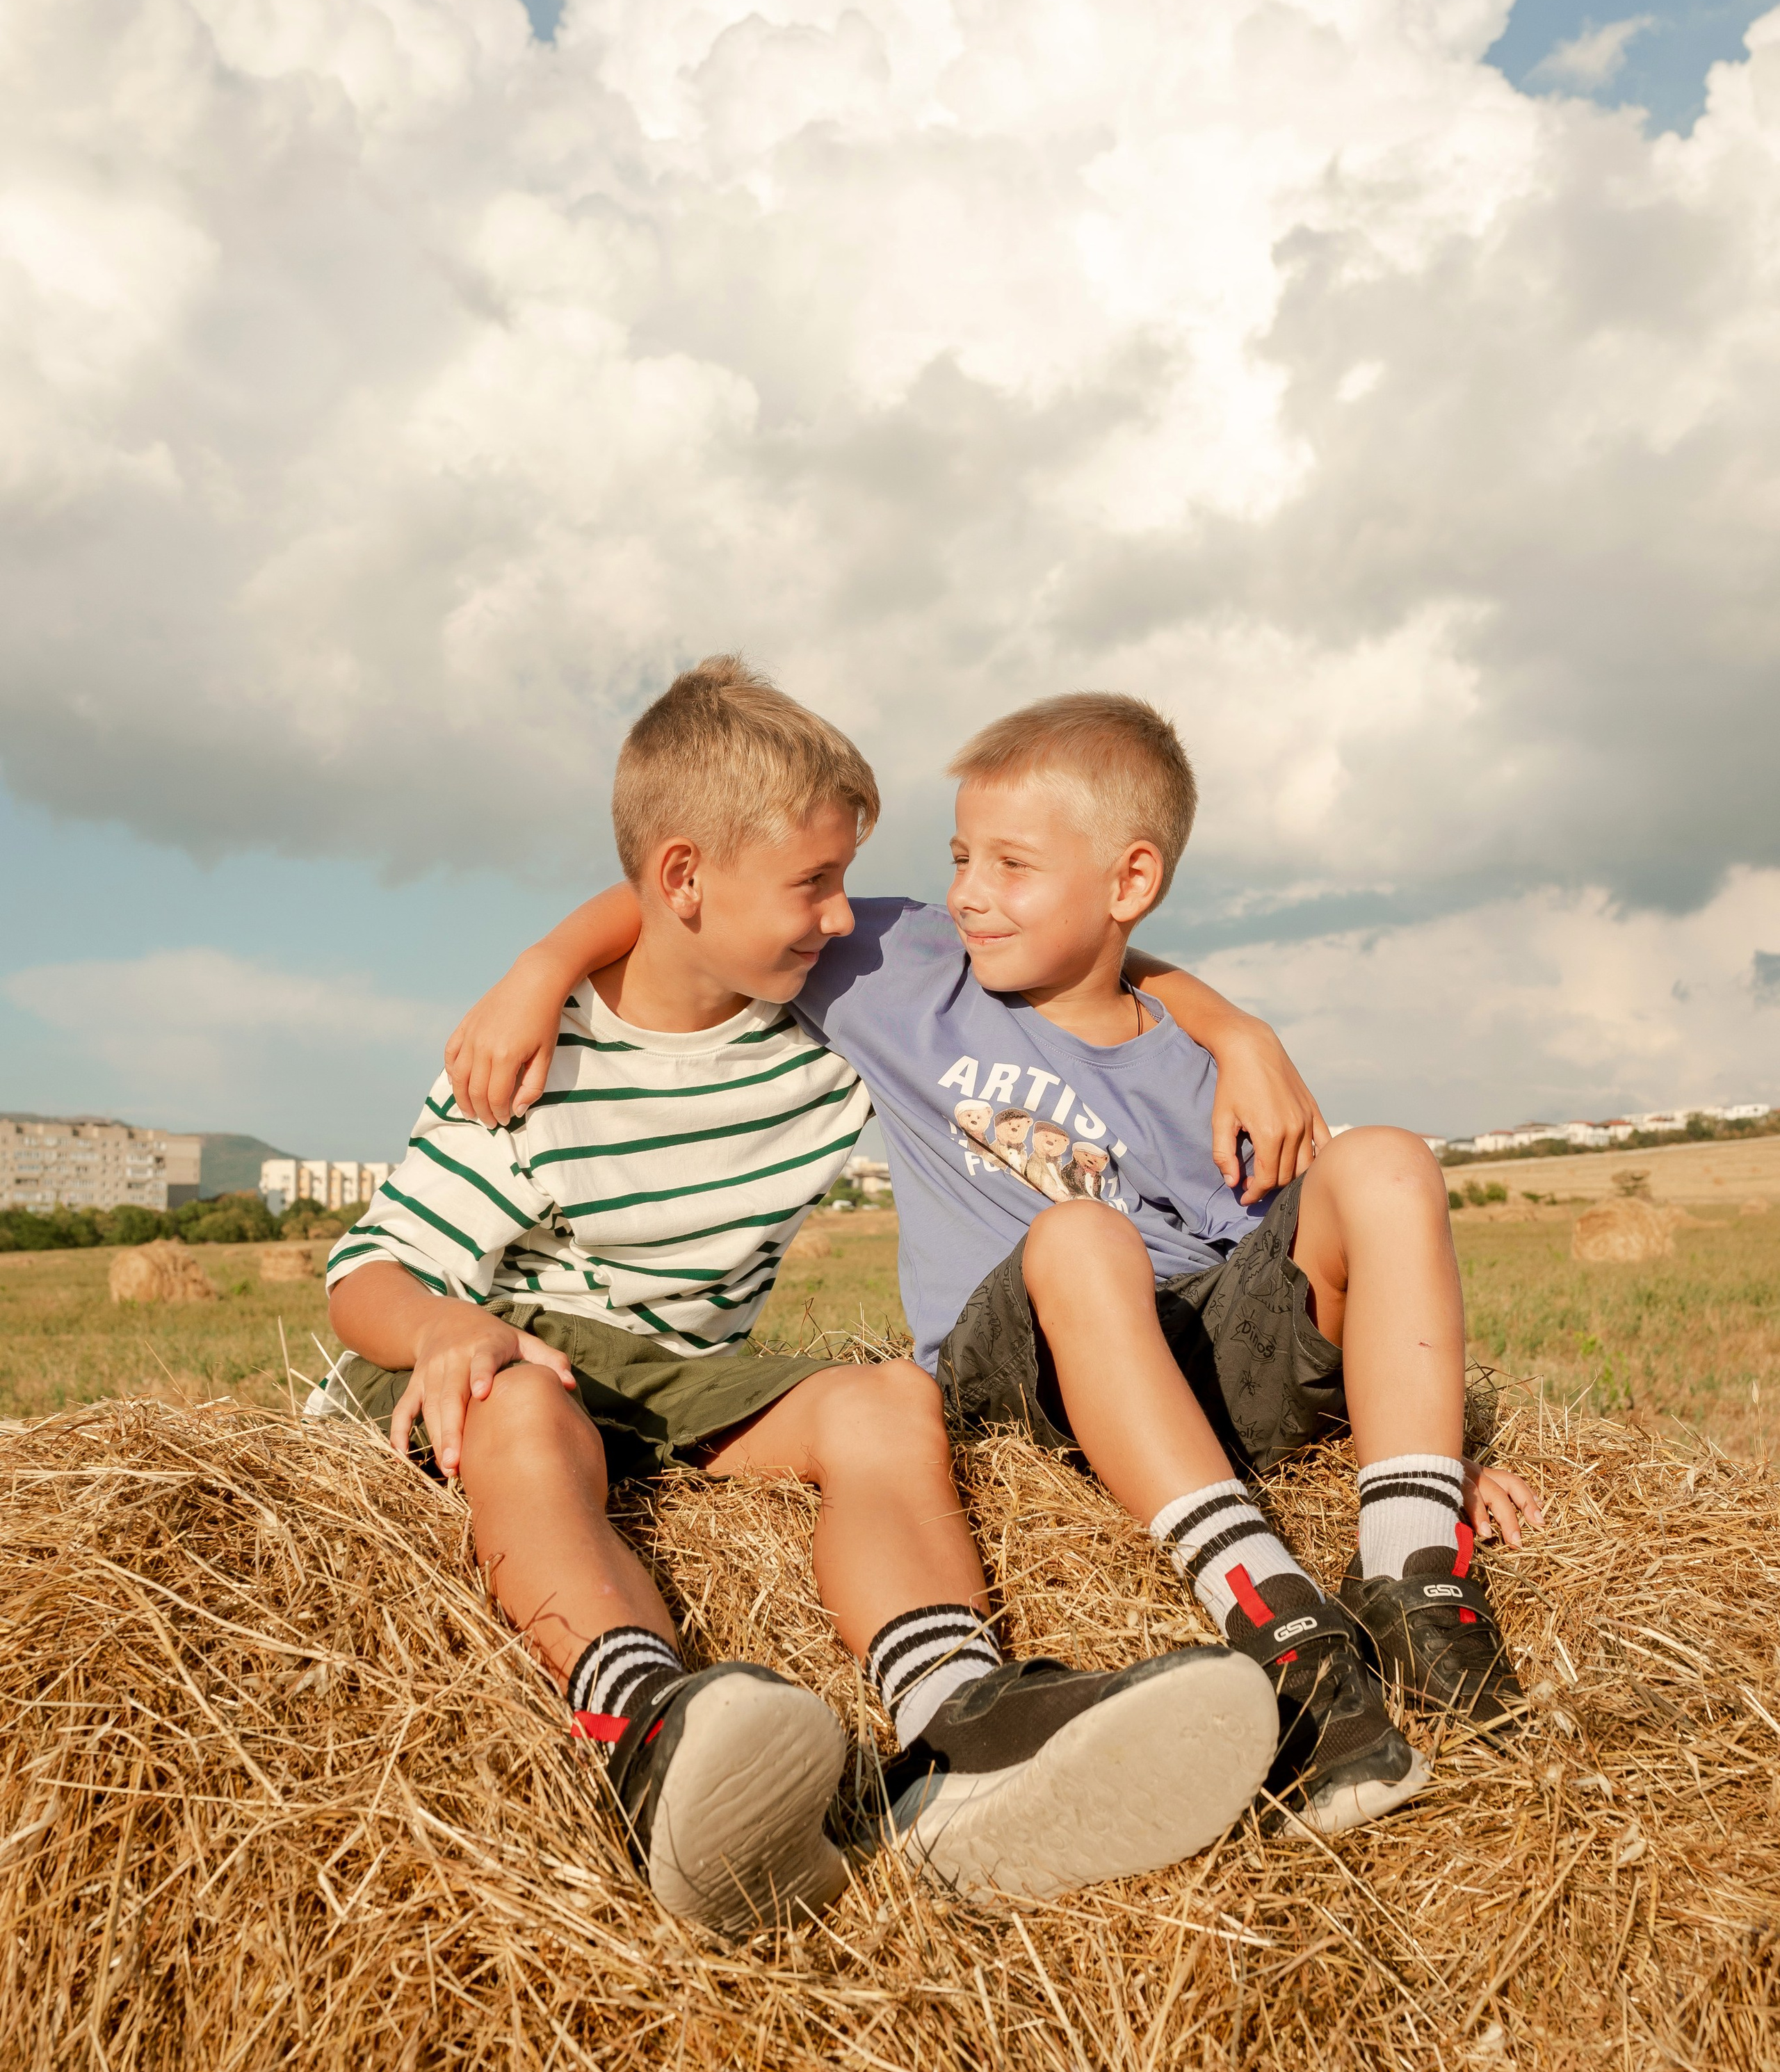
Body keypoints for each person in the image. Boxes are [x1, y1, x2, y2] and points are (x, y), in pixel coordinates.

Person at [448, 686, 1544, 1840]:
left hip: (1190, 1373)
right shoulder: (900, 965)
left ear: (1130, 885)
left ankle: (1419, 1570)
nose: (969, 891)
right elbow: (695, 896)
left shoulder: (1197, 1063)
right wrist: (540, 967)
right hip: (1018, 1373)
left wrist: (1427, 1442)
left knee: (1387, 1160)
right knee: (1079, 1236)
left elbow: (1304, 1270)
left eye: (1010, 867)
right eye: (962, 855)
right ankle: (1277, 1620)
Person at [319, 663, 1280, 1937]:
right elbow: (366, 1274)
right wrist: (450, 1324)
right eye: (813, 885)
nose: (843, 917)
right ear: (682, 884)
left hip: (678, 1379)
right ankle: (644, 1725)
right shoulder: (534, 1062)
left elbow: (1082, 944)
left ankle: (958, 1724)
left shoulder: (817, 1027)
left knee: (885, 1401)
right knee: (524, 1416)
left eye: (844, 880)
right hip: (501, 1354)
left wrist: (1240, 1031)